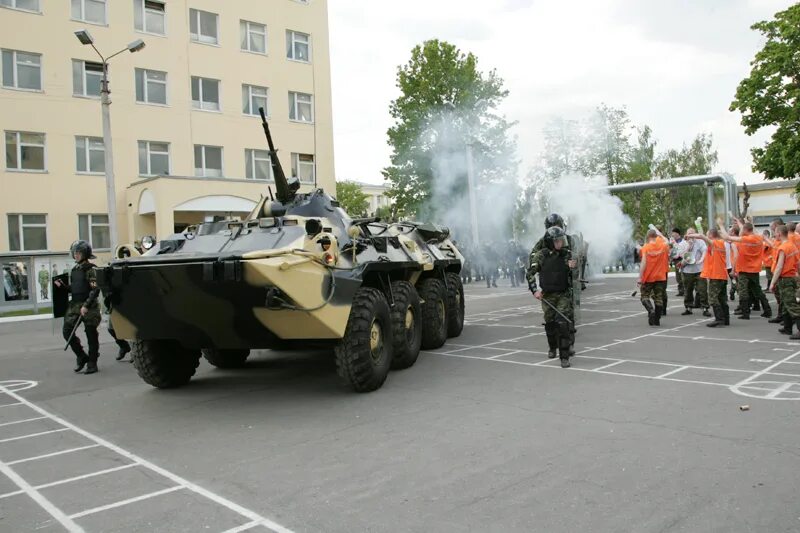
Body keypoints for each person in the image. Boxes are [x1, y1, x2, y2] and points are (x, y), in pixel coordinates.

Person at [527, 226, 577, 368]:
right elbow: (530, 273)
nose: (561, 243)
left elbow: (576, 274)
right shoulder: (541, 255)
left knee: (563, 324)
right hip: (547, 295)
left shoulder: (567, 254)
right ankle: (552, 347)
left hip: (563, 294)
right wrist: (535, 291)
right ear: (550, 241)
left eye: (562, 240)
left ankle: (565, 357)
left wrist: (573, 267)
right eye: (557, 241)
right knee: (550, 324)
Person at [54, 240, 102, 374]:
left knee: (91, 333)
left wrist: (86, 306)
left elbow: (95, 289)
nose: (76, 255)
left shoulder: (91, 269)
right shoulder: (75, 269)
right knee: (67, 331)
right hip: (75, 305)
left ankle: (92, 362)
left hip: (89, 305)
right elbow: (75, 288)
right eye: (75, 253)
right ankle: (81, 356)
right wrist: (63, 287)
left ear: (85, 253)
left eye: (79, 253)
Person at [718, 219, 772, 319]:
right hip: (755, 269)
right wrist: (740, 222)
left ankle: (745, 312)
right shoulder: (759, 238)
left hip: (744, 269)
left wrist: (721, 225)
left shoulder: (746, 239)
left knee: (743, 291)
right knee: (757, 290)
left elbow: (727, 237)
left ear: (746, 230)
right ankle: (767, 310)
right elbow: (750, 229)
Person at [687, 228, 730, 327]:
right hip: (722, 275)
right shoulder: (721, 243)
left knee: (713, 298)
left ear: (711, 235)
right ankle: (726, 319)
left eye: (708, 234)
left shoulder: (715, 243)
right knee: (722, 298)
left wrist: (690, 235)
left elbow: (702, 237)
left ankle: (719, 319)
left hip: (716, 275)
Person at [768, 225, 800, 337]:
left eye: (775, 233)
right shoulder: (792, 246)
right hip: (792, 277)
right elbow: (798, 263)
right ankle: (787, 328)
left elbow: (779, 267)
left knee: (791, 305)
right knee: (786, 303)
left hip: (785, 278)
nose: (774, 235)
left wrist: (772, 283)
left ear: (780, 234)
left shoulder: (783, 248)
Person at [638, 228, 669, 325]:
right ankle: (657, 319)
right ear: (656, 236)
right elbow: (668, 241)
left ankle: (651, 310)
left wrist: (640, 277)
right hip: (660, 277)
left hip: (648, 277)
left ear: (648, 237)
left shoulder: (646, 247)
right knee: (659, 298)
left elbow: (643, 263)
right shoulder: (663, 246)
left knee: (644, 296)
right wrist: (661, 235)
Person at [680, 228, 707, 315]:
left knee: (702, 289)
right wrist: (689, 246)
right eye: (689, 234)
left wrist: (701, 259)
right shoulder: (683, 243)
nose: (691, 236)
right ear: (686, 234)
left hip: (699, 270)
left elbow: (704, 251)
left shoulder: (700, 242)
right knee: (688, 290)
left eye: (692, 233)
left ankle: (705, 308)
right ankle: (688, 307)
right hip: (687, 271)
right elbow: (682, 256)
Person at [670, 228, 688, 297]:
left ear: (677, 233)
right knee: (678, 276)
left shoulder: (683, 241)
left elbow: (681, 249)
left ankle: (685, 290)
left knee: (682, 275)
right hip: (676, 260)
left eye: (673, 233)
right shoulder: (673, 241)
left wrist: (674, 243)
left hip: (682, 259)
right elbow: (672, 251)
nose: (672, 235)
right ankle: (681, 290)